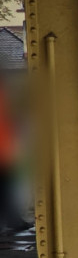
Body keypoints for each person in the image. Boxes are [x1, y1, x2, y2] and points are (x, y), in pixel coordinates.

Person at [0, 71, 30, 233]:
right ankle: (12, 219)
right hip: (4, 150)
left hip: (6, 150)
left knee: (6, 187)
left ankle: (11, 219)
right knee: (6, 187)